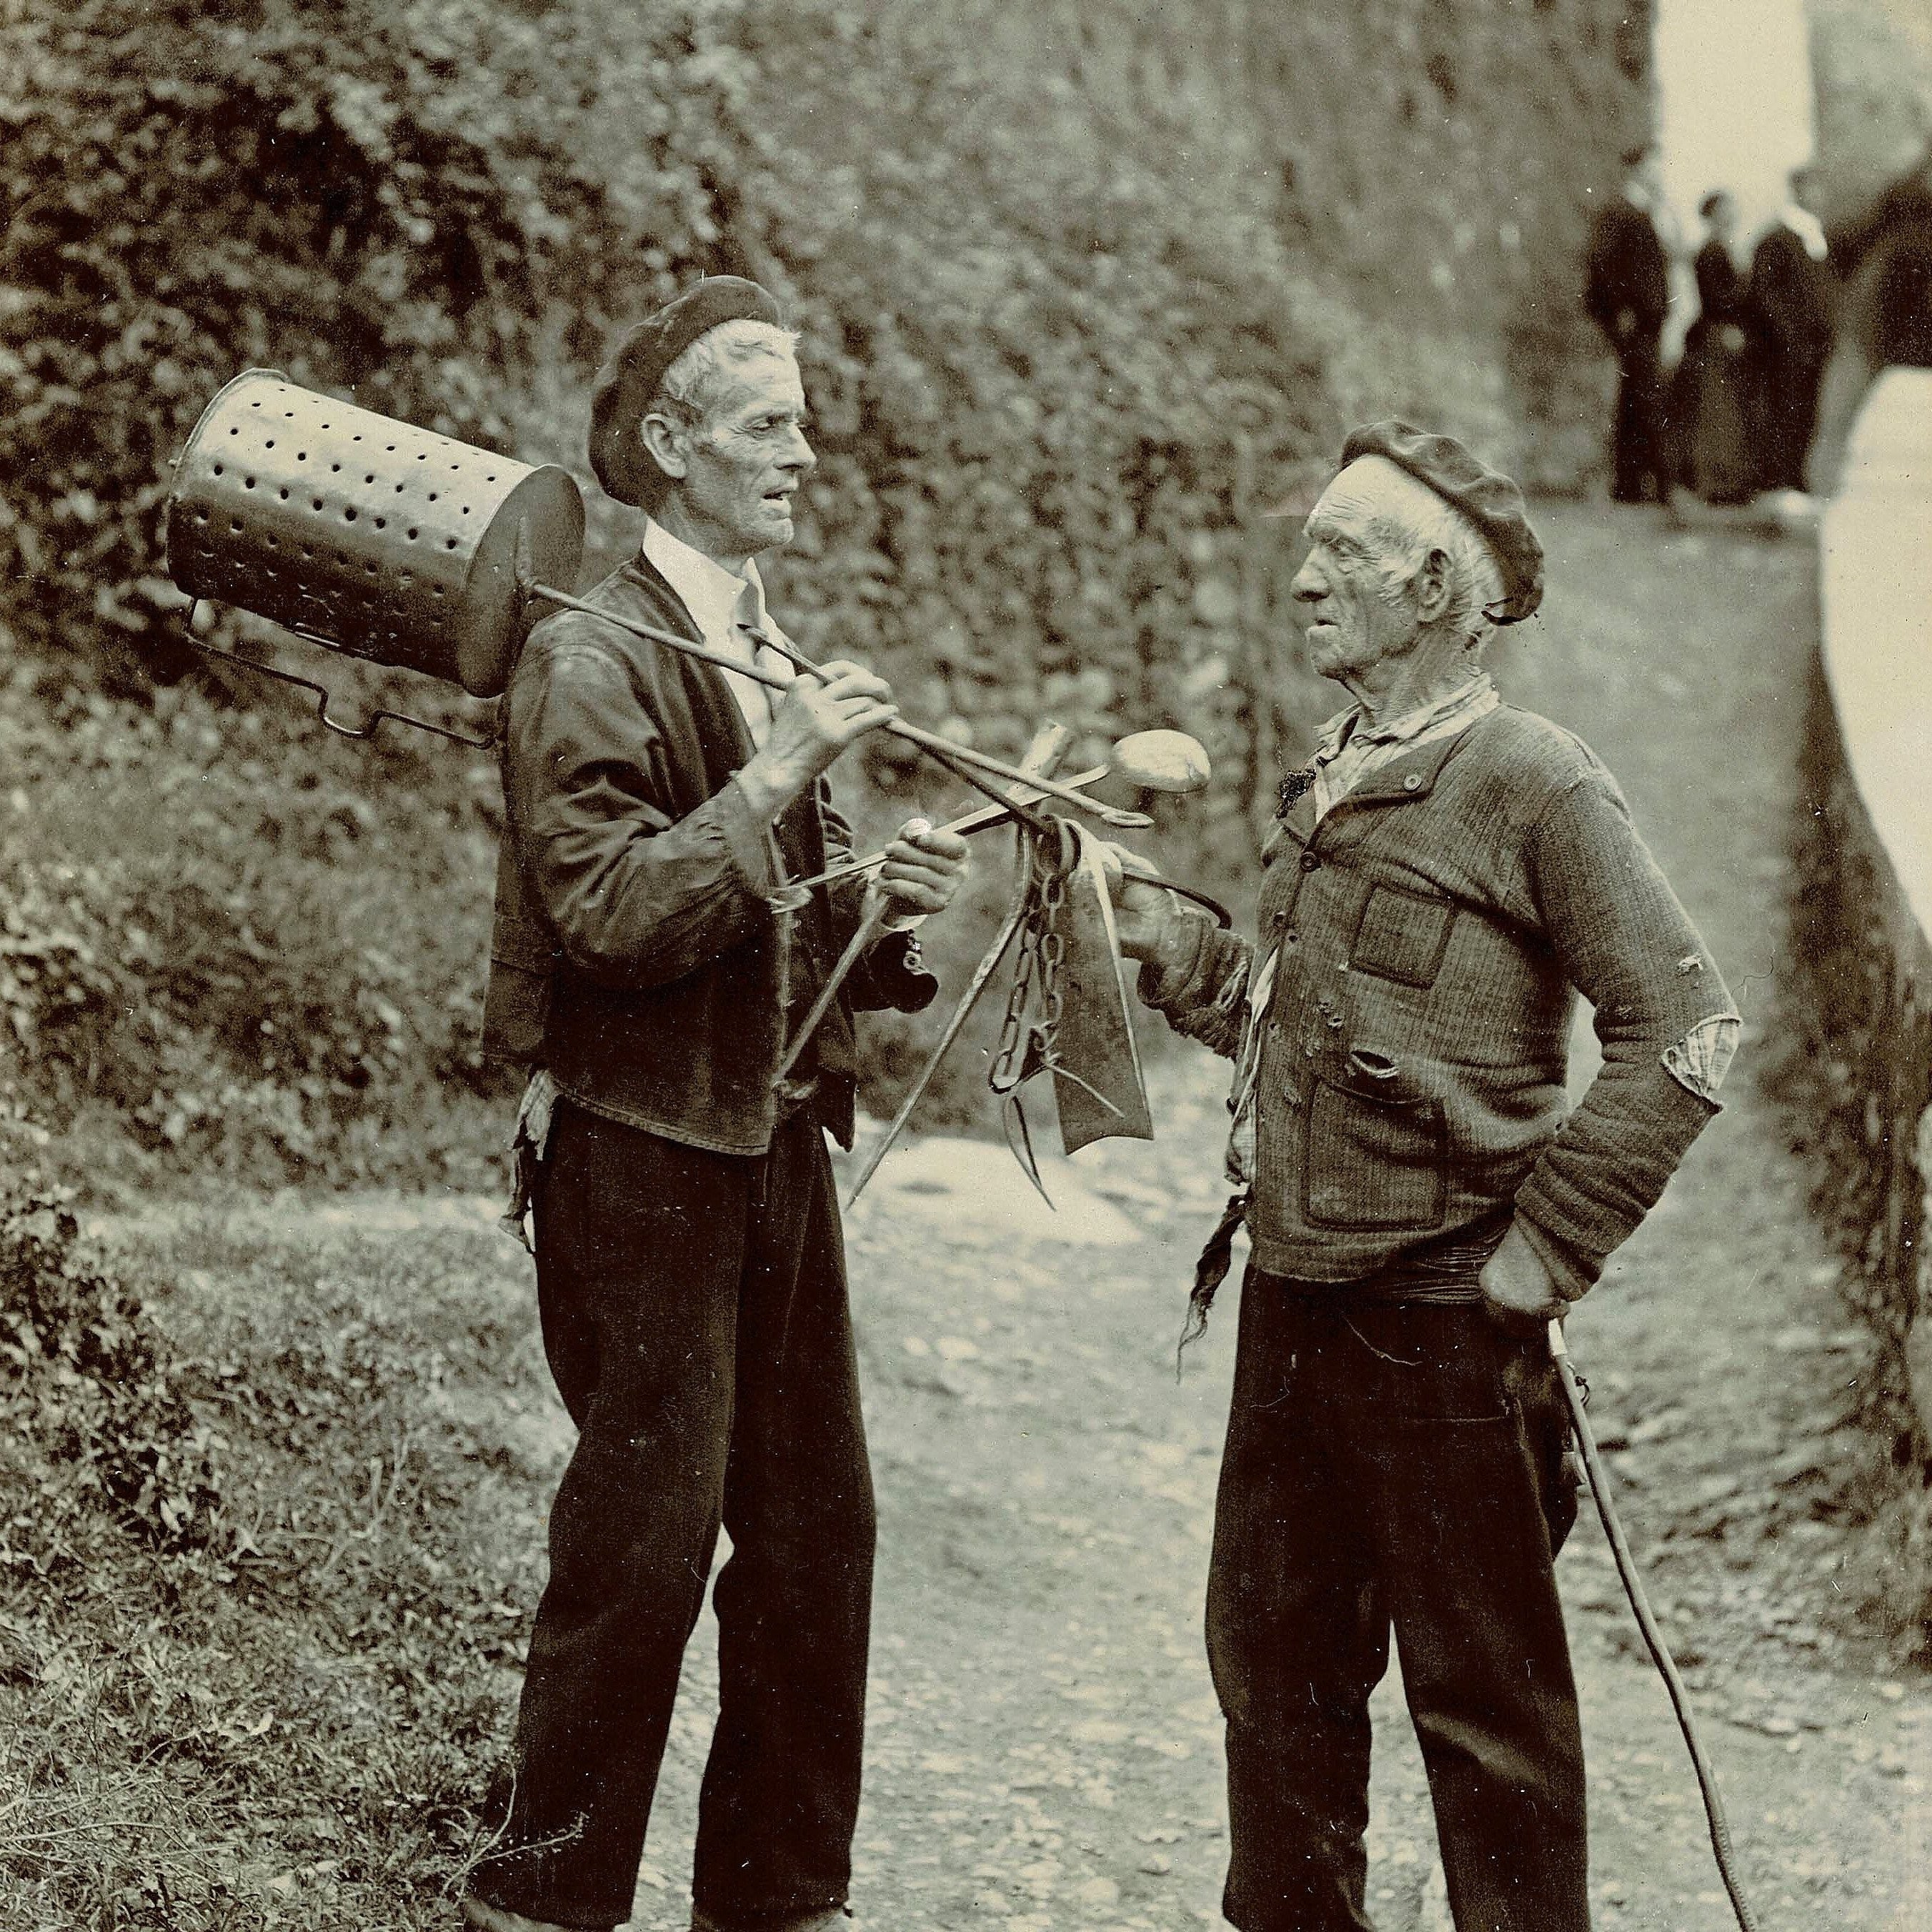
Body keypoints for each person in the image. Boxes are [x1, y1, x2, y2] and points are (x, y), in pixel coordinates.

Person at [1108, 422, 1741, 1932]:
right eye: (1306, 544)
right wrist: (1169, 946)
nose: (1302, 575)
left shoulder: (1534, 781)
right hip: (1290, 1294)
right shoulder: (1332, 770)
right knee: (1271, 1678)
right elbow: (1296, 1010)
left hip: (1447, 1311)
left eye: (1340, 551)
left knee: (1486, 1716)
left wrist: (1541, 1255)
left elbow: (1687, 1027)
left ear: (1436, 586)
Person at [463, 277, 972, 1932]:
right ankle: (543, 1902)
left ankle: (774, 1900)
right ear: (670, 445)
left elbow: (786, 934)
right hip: (639, 1150)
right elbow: (609, 914)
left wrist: (891, 911)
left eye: (806, 422)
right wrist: (779, 776)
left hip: (768, 1151)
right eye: (768, 422)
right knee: (646, 1546)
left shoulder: (759, 646)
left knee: (822, 1536)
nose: (805, 453)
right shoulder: (592, 645)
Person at [1584, 144, 1673, 503]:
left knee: (1634, 400)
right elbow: (1603, 265)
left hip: (1647, 321)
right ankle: (1662, 484)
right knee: (1646, 396)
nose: (1658, 173)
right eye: (1653, 166)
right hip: (1633, 322)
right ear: (1637, 169)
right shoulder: (1622, 211)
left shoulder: (1644, 212)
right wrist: (1622, 310)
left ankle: (1630, 484)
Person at [1747, 164, 1837, 495]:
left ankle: (1794, 477)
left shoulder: (1814, 235)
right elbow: (1765, 295)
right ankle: (1776, 480)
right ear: (1799, 190)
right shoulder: (1776, 239)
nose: (1820, 196)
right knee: (1782, 410)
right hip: (1786, 348)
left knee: (1806, 411)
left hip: (1814, 346)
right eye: (1815, 189)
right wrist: (1790, 335)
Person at [1672, 189, 1755, 504]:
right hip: (1717, 336)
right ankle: (1715, 482)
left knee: (1725, 411)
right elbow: (1718, 299)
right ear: (1715, 214)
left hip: (1721, 334)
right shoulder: (1712, 252)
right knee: (1717, 411)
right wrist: (1735, 323)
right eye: (1728, 209)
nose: (1734, 214)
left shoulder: (1725, 249)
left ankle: (1726, 481)